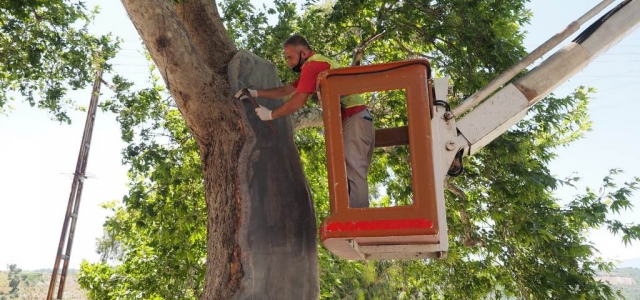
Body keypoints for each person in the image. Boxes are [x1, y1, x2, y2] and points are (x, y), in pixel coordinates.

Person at [234, 35, 375, 208]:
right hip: (356, 119)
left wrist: (271, 114)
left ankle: (358, 220)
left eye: (290, 57)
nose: (289, 63)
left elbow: (298, 100)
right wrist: (255, 93)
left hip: (355, 118)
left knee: (354, 169)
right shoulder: (316, 65)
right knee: (349, 171)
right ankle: (355, 215)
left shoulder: (312, 65)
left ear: (302, 53)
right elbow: (286, 90)